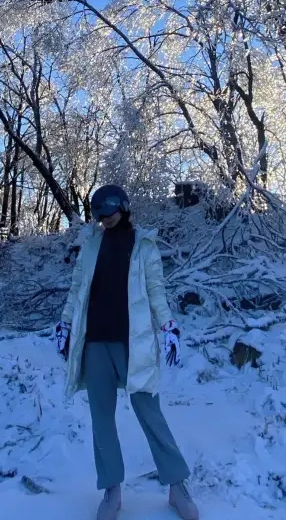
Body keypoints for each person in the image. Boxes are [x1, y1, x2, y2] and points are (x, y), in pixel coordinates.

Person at [55, 185, 199, 520]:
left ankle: (177, 486)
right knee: (101, 418)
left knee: (150, 412)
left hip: (133, 344)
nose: (104, 219)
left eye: (109, 211)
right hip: (95, 344)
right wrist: (64, 323)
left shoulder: (143, 244)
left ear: (123, 207)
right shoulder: (90, 244)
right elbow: (77, 289)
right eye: (98, 214)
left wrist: (168, 325)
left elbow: (155, 290)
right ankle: (112, 490)